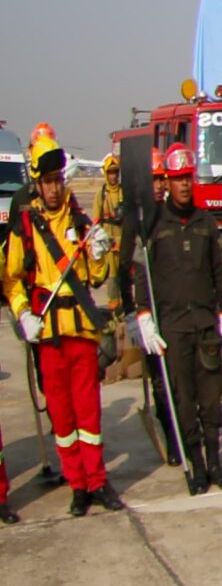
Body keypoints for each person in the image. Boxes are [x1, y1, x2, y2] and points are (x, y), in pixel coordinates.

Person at [4, 139, 123, 514]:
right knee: (63, 415)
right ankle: (78, 486)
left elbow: (97, 276)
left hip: (81, 332)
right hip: (48, 334)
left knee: (89, 415)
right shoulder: (26, 225)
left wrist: (100, 254)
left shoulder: (80, 221)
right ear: (37, 184)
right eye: (48, 181)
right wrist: (24, 313)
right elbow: (11, 280)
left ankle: (98, 481)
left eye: (59, 180)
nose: (54, 188)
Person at [127, 143, 222, 494]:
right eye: (176, 179)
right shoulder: (154, 223)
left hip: (205, 325)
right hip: (173, 327)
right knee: (184, 401)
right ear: (168, 183)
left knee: (210, 401)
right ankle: (196, 467)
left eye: (187, 178)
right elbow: (142, 275)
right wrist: (143, 315)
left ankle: (216, 464)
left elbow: (219, 272)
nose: (183, 185)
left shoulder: (205, 221)